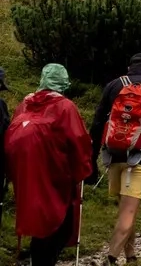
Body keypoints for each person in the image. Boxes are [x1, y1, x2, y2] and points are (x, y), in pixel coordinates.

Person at [5, 65, 92, 266]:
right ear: (63, 84)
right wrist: (84, 169)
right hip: (55, 176)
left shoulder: (25, 104)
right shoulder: (65, 107)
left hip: (26, 174)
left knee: (39, 221)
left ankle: (38, 257)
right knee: (60, 226)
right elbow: (78, 141)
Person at [92, 53, 141, 263]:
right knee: (128, 213)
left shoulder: (114, 85)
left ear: (129, 68)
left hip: (113, 157)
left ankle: (131, 256)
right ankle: (110, 258)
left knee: (126, 209)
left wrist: (91, 157)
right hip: (139, 159)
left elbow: (98, 122)